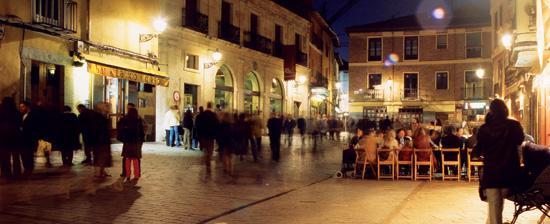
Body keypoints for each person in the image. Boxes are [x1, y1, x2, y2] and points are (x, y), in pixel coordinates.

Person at [473, 99, 524, 224]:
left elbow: (477, 150)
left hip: (492, 174)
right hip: (509, 172)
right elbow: (519, 141)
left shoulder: (485, 128)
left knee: (495, 209)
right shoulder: (514, 125)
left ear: (491, 111)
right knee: (497, 207)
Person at [117, 108, 144, 184]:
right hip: (135, 142)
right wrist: (141, 141)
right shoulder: (138, 120)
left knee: (128, 159)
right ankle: (136, 175)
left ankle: (128, 175)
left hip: (127, 142)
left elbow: (119, 128)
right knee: (135, 159)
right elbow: (141, 132)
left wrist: (122, 138)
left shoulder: (125, 120)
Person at [0, 97, 22, 178]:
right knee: (16, 155)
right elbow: (20, 123)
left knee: (4, 156)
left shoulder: (1, 112)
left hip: (3, 137)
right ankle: (17, 171)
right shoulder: (17, 112)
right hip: (15, 136)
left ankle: (6, 172)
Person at [19, 101, 42, 175]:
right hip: (23, 138)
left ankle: (29, 169)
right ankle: (27, 168)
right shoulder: (21, 115)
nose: (21, 108)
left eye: (22, 107)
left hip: (30, 138)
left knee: (29, 154)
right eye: (20, 107)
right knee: (24, 154)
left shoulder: (33, 115)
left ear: (27, 107)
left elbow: (35, 127)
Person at [195, 103, 219, 169]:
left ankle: (206, 158)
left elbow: (197, 124)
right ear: (211, 106)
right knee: (210, 148)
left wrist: (199, 133)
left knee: (205, 148)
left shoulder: (201, 115)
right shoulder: (213, 115)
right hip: (211, 135)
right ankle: (208, 159)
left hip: (203, 134)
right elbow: (217, 125)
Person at [92, 103, 113, 178]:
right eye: (106, 107)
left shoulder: (102, 116)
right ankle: (98, 173)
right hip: (100, 141)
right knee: (101, 156)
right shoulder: (99, 117)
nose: (109, 108)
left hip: (102, 140)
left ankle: (102, 171)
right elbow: (100, 129)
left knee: (103, 156)